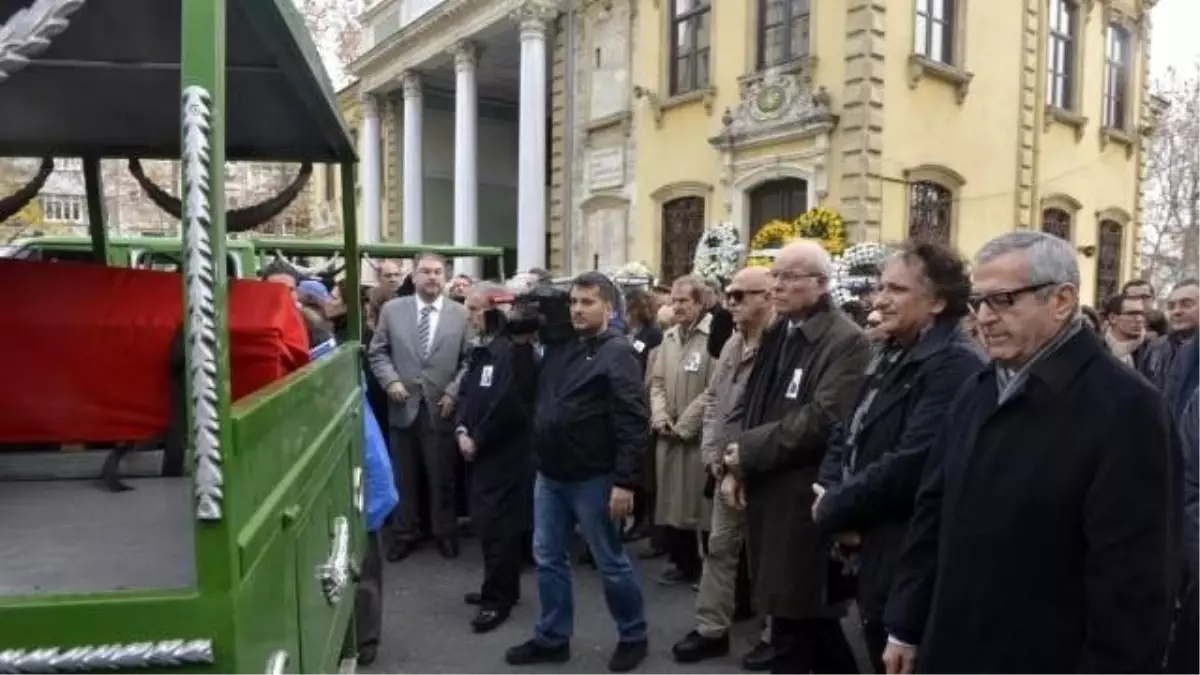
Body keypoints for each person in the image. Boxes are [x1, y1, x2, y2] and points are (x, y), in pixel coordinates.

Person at [883, 231, 1175, 675]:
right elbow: (933, 512)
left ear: (1061, 300)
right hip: (951, 647)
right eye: (979, 302)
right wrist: (905, 624)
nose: (983, 318)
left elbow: (1132, 588)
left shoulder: (1127, 409)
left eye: (1002, 301)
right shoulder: (977, 390)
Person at [811, 242, 984, 674]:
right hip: (870, 545)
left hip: (906, 554)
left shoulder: (954, 364)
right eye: (879, 287)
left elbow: (911, 462)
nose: (880, 299)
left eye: (897, 289)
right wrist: (832, 491)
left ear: (938, 301)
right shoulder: (890, 353)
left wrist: (835, 506)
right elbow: (845, 432)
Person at [721, 240, 870, 675]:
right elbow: (754, 404)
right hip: (770, 490)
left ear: (821, 284)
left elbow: (823, 418)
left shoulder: (847, 341)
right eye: (775, 275)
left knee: (796, 620)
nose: (777, 286)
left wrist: (747, 451)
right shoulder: (779, 333)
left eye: (788, 277)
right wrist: (739, 465)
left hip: (803, 499)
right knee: (803, 624)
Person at [505, 271, 650, 673]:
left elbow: (632, 421)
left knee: (610, 561)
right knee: (548, 558)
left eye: (587, 302)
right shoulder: (563, 346)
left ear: (608, 306)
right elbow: (527, 392)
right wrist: (519, 344)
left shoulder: (617, 352)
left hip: (595, 478)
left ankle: (633, 636)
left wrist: (625, 482)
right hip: (551, 475)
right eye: (573, 302)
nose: (577, 310)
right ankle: (553, 638)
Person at [672, 266, 777, 669]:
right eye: (729, 295)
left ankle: (773, 634)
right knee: (719, 548)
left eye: (739, 296)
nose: (730, 303)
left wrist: (743, 462)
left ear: (768, 296)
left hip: (763, 468)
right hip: (724, 467)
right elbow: (715, 400)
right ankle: (711, 629)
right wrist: (713, 453)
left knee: (766, 554)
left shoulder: (781, 346)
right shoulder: (734, 342)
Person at [368, 252, 472, 562]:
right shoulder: (392, 310)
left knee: (443, 476)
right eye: (425, 271)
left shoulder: (461, 314)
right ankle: (405, 533)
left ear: (445, 277)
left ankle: (445, 532)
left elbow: (470, 359)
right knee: (404, 474)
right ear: (413, 276)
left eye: (438, 272)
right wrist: (390, 382)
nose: (432, 277)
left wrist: (454, 391)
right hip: (402, 404)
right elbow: (378, 352)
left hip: (442, 407)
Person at [455, 282, 539, 633]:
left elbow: (510, 407)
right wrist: (462, 428)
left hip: (505, 455)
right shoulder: (484, 349)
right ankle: (499, 586)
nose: (469, 315)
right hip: (482, 450)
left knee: (499, 527)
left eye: (474, 308)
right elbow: (470, 393)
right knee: (489, 525)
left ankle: (498, 600)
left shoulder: (514, 353)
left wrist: (478, 438)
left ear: (495, 308)